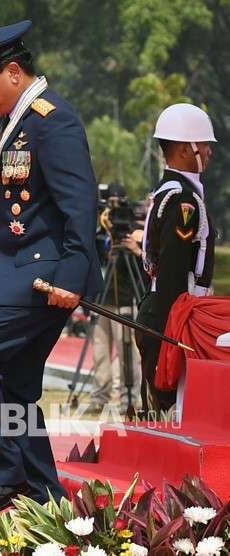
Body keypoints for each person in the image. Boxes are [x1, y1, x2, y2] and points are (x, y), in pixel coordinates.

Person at [0, 20, 102, 520]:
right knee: (14, 384)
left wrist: (72, 279)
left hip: (43, 276)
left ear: (12, 72)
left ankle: (0, 479)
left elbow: (79, 206)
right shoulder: (13, 119)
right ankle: (44, 497)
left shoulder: (51, 120)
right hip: (14, 273)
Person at [136, 103, 217, 412]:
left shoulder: (167, 191)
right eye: (205, 145)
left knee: (170, 410)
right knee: (174, 410)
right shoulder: (183, 200)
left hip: (165, 310)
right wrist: (177, 329)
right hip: (174, 314)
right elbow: (172, 269)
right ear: (187, 149)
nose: (209, 152)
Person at [89, 184, 145, 414]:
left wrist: (134, 245)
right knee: (100, 351)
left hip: (124, 296)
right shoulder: (103, 230)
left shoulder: (135, 229)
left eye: (116, 202)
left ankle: (129, 399)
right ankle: (99, 396)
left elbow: (146, 262)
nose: (112, 207)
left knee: (127, 353)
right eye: (109, 202)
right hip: (103, 298)